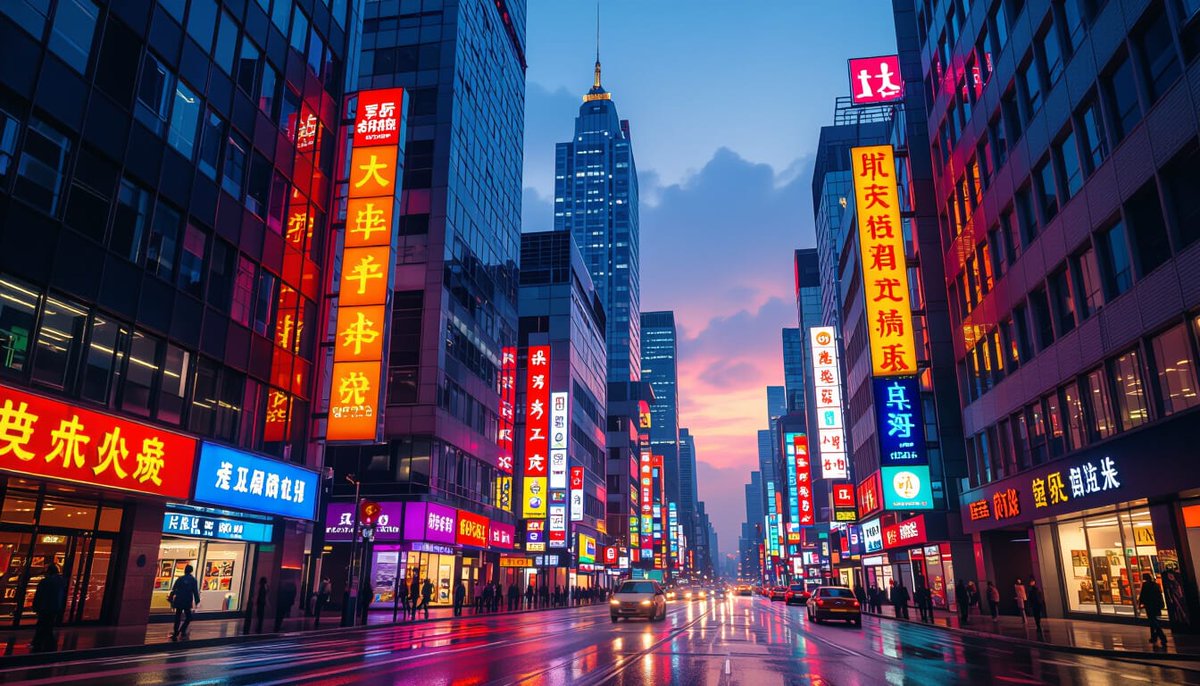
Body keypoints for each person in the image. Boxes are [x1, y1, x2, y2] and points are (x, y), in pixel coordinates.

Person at [31, 563, 66, 652]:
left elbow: (39, 595)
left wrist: (36, 606)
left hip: (45, 606)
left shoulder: (45, 582)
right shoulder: (61, 581)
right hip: (55, 607)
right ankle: (45, 643)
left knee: (43, 624)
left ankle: (39, 643)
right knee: (48, 625)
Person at [167, 564, 202, 641]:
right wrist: (197, 602)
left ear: (185, 570)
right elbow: (195, 592)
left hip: (179, 600)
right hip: (187, 601)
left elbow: (174, 589)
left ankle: (176, 632)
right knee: (189, 617)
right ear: (191, 571)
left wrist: (170, 598)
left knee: (177, 617)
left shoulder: (180, 579)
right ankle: (182, 630)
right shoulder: (193, 580)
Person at [1138, 573, 1168, 647]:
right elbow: (1159, 595)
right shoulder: (1156, 585)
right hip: (1156, 605)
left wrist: (1140, 604)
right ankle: (1154, 637)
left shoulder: (1145, 585)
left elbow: (1143, 595)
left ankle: (1162, 637)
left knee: (1153, 621)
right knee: (1153, 621)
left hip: (1149, 605)